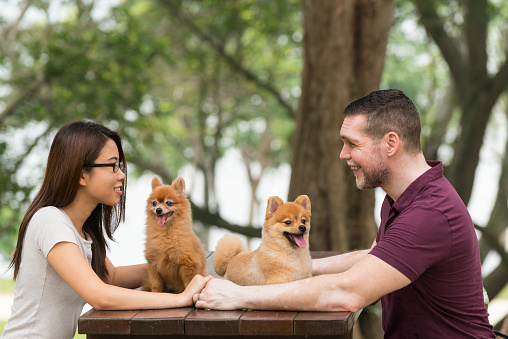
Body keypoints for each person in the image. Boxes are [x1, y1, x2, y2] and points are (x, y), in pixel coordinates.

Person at [193, 89, 495, 338]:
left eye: (352, 144)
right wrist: (284, 263)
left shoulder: (430, 213)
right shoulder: (401, 197)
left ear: (390, 143)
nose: (343, 154)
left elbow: (346, 293)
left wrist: (236, 296)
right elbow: (375, 257)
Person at [2, 121, 212, 339]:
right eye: (113, 166)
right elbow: (99, 295)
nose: (121, 175)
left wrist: (176, 263)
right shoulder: (50, 220)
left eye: (120, 166)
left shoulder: (81, 229)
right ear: (81, 175)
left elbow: (109, 277)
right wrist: (182, 297)